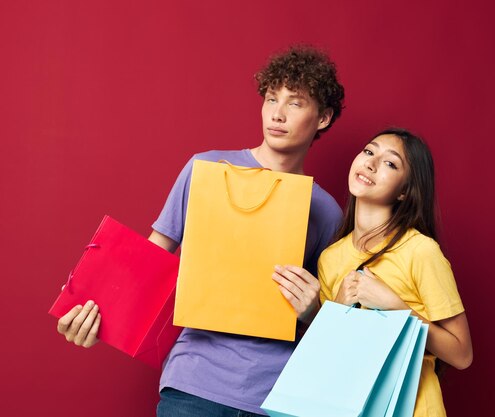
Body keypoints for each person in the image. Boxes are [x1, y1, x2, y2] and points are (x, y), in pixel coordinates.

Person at [56, 46, 345, 417]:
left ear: (322, 117)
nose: (277, 113)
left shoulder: (325, 211)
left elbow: (334, 327)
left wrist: (313, 310)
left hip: (279, 397)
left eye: (295, 103)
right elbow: (149, 262)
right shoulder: (205, 169)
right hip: (193, 385)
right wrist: (95, 317)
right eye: (272, 98)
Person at [317, 127, 473, 417]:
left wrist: (399, 310)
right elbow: (328, 354)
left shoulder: (420, 251)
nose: (371, 163)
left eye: (390, 163)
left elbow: (462, 354)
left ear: (404, 191)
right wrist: (337, 306)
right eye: (368, 151)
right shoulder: (330, 258)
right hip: (348, 407)